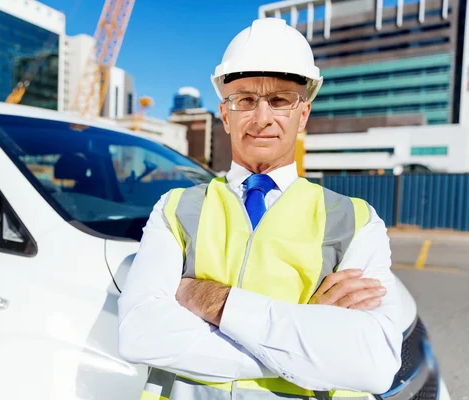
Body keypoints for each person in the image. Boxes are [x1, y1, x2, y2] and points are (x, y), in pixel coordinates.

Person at [118, 17, 403, 400]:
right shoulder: (176, 209)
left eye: (280, 100)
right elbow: (140, 334)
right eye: (245, 99)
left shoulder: (356, 220)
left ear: (303, 113)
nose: (262, 117)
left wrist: (206, 298)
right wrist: (307, 340)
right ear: (224, 113)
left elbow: (373, 363)